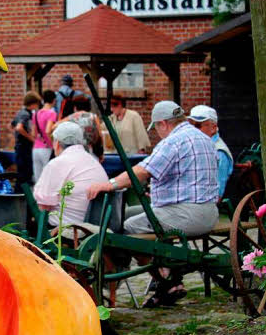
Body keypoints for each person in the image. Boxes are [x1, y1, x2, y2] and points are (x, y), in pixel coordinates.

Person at [87, 101, 219, 305]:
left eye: (156, 128)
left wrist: (108, 184)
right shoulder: (204, 139)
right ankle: (167, 272)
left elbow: (141, 171)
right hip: (208, 211)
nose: (157, 133)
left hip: (188, 215)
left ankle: (166, 279)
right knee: (129, 213)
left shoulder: (174, 141)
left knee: (129, 227)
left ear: (163, 123)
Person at [33, 122, 108, 226]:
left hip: (67, 227)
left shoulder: (57, 163)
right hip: (96, 225)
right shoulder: (93, 160)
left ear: (57, 143)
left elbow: (42, 205)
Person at [187, 105, 233, 198]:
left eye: (197, 125)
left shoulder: (219, 152)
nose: (193, 129)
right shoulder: (197, 146)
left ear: (213, 128)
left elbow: (217, 196)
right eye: (191, 125)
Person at [11, 92, 40, 186]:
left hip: (19, 146)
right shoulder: (26, 114)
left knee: (21, 173)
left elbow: (11, 125)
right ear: (33, 103)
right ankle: (22, 196)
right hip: (24, 147)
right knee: (25, 174)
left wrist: (15, 137)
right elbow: (19, 127)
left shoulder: (20, 112)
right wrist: (31, 138)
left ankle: (19, 193)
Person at [32, 89, 58, 181]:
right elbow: (48, 131)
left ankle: (35, 196)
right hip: (47, 148)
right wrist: (53, 145)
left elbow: (33, 133)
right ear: (54, 100)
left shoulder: (36, 114)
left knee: (38, 178)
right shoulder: (52, 113)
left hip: (36, 148)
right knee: (48, 178)